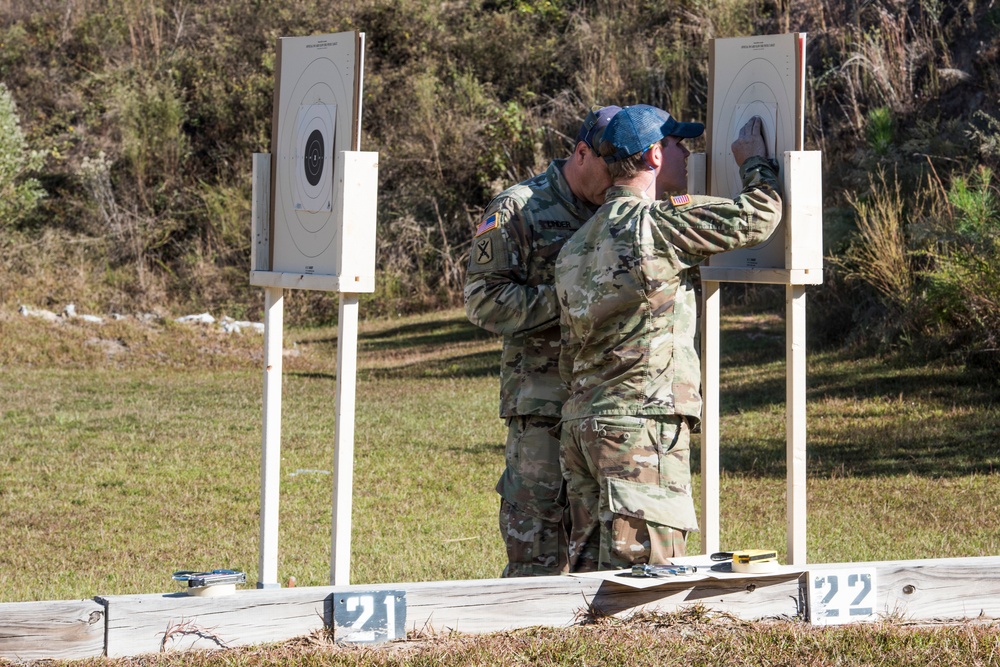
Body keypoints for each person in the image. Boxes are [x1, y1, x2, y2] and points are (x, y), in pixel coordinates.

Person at [554, 106, 782, 572]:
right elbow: (759, 216)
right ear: (655, 156)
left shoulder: (575, 244)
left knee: (588, 579)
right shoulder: (657, 223)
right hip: (639, 427)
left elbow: (568, 348)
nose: (687, 153)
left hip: (582, 425)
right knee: (645, 585)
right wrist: (754, 163)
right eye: (680, 145)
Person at [465, 104, 622, 577]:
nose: (618, 178)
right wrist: (569, 297)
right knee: (537, 547)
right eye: (609, 166)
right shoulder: (520, 207)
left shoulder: (621, 212)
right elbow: (483, 300)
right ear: (580, 153)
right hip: (544, 405)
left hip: (607, 405)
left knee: (604, 546)